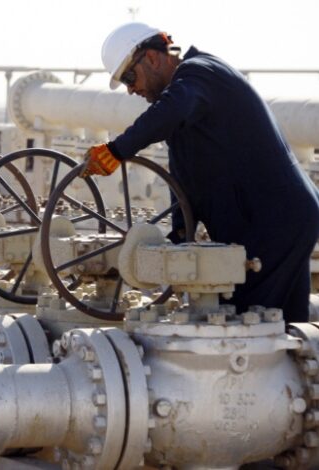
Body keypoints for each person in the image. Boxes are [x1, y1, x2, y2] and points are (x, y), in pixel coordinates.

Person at [81, 22, 319, 322]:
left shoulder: (201, 73)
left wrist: (117, 150)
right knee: (283, 326)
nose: (131, 90)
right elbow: (182, 178)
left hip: (274, 222)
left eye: (129, 77)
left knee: (247, 325)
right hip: (274, 221)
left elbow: (171, 110)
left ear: (152, 58)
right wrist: (180, 236)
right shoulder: (186, 102)